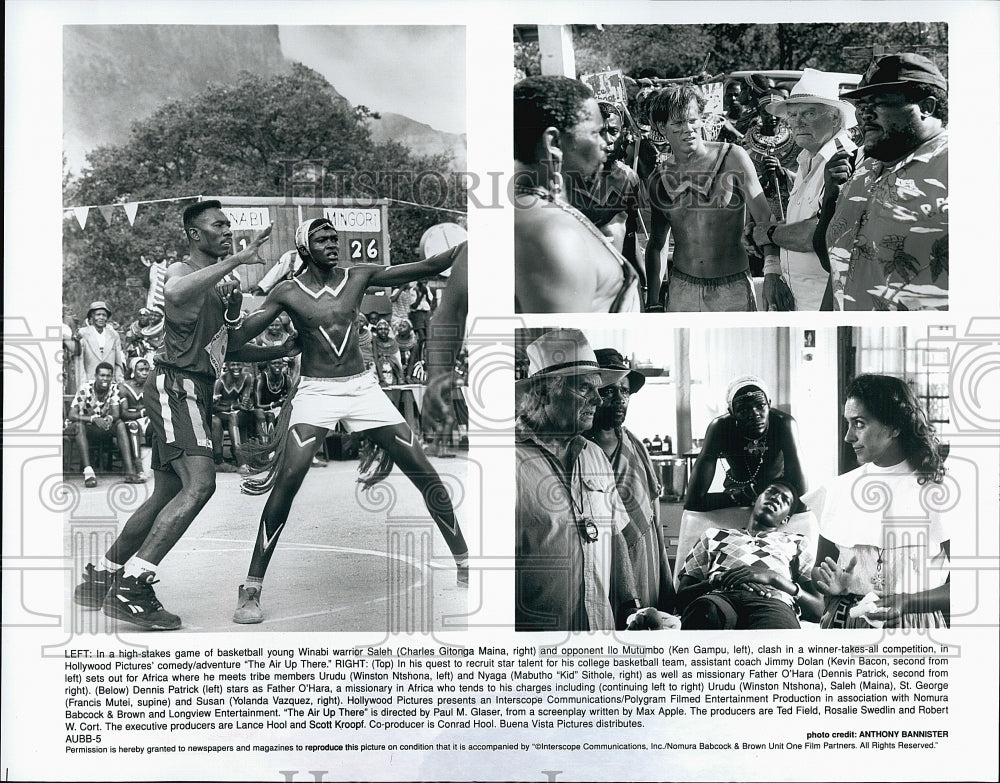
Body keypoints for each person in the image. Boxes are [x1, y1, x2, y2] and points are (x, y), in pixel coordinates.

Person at [227, 217, 470, 624]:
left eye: (334, 237)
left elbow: (427, 267)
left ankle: (464, 563)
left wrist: (465, 248)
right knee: (288, 482)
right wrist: (240, 315)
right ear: (304, 247)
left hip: (363, 389)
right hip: (316, 392)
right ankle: (251, 587)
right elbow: (236, 343)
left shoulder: (360, 276)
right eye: (322, 237)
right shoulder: (286, 292)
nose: (331, 242)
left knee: (426, 473)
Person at [71, 200, 288, 630]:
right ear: (194, 234)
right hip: (178, 386)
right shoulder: (179, 270)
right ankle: (135, 585)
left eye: (229, 224)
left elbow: (228, 344)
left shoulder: (224, 288)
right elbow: (172, 294)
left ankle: (103, 575)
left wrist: (281, 342)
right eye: (218, 225)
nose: (227, 229)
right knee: (202, 485)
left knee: (166, 493)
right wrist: (239, 259)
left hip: (193, 388)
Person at [515, 329, 675, 631]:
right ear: (546, 392)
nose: (598, 399)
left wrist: (631, 608)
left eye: (599, 389)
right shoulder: (507, 462)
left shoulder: (593, 456)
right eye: (585, 389)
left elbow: (614, 537)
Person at [808, 374, 950, 628]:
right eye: (848, 424)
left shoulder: (938, 490)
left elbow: (976, 587)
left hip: (913, 628)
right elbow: (818, 569)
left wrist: (907, 601)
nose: (848, 437)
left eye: (859, 424)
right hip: (844, 624)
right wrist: (830, 583)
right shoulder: (838, 489)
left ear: (895, 427)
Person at [644, 84, 787, 312]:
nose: (688, 129)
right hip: (682, 290)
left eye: (692, 120)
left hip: (733, 288)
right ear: (662, 127)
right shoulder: (659, 178)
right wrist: (653, 302)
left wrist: (772, 273)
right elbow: (657, 245)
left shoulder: (732, 157)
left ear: (701, 119)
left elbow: (764, 218)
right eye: (678, 123)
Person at [824, 54, 949, 311]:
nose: (864, 114)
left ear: (927, 106)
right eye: (862, 105)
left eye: (878, 103)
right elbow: (839, 265)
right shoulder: (866, 167)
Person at [513, 76, 640, 313]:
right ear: (554, 143)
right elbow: (564, 342)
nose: (605, 143)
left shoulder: (520, 212)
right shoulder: (552, 234)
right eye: (595, 133)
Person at [745, 70, 859, 311]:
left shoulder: (845, 160)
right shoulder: (807, 159)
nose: (797, 121)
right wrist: (773, 269)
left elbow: (817, 234)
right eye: (793, 114)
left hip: (826, 301)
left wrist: (767, 233)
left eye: (809, 113)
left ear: (836, 119)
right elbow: (799, 224)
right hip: (797, 297)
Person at [583, 349, 674, 612]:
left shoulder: (635, 445)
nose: (620, 399)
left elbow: (654, 520)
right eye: (609, 391)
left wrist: (666, 583)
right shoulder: (580, 449)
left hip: (643, 561)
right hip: (600, 560)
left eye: (624, 391)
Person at [675, 481, 822, 629]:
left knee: (776, 637)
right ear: (755, 500)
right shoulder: (713, 535)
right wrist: (716, 581)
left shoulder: (797, 542)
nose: (776, 498)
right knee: (702, 613)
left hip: (772, 602)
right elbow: (680, 600)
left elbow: (819, 608)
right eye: (771, 492)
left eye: (784, 499)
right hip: (718, 597)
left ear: (786, 519)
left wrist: (774, 578)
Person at [685, 375, 805, 512]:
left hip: (776, 494)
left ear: (769, 404)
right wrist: (744, 495)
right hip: (736, 492)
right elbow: (692, 502)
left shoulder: (783, 424)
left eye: (760, 406)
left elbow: (802, 501)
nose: (754, 414)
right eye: (743, 410)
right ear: (731, 412)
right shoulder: (720, 427)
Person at [569, 101, 643, 265]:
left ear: (622, 134)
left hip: (616, 274)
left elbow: (630, 234)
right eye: (600, 132)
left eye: (613, 131)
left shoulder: (629, 178)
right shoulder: (569, 177)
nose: (607, 140)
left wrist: (642, 281)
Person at [68, 361, 142, 486]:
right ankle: (89, 474)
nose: (105, 379)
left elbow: (115, 413)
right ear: (95, 376)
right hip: (84, 427)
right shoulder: (85, 388)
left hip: (102, 427)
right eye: (102, 375)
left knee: (119, 424)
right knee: (79, 426)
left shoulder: (113, 388)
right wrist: (93, 419)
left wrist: (109, 418)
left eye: (108, 376)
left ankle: (130, 472)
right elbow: (72, 415)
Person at [211, 361, 254, 472]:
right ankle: (240, 459)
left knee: (254, 415)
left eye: (239, 364)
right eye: (233, 365)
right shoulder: (220, 382)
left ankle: (262, 455)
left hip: (235, 411)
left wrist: (247, 404)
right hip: (220, 413)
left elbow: (245, 400)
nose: (236, 367)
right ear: (228, 366)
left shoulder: (247, 378)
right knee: (232, 417)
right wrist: (233, 407)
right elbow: (213, 408)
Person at [73, 301, 126, 383]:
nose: (101, 317)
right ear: (92, 316)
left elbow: (118, 362)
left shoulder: (113, 335)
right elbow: (79, 361)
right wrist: (83, 383)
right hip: (90, 381)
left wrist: (119, 381)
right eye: (98, 315)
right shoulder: (83, 333)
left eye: (104, 315)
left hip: (109, 382)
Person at [119, 357, 151, 475]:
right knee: (133, 425)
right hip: (130, 422)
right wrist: (142, 413)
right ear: (133, 371)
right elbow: (123, 413)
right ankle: (138, 466)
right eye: (141, 370)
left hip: (148, 421)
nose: (145, 373)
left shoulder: (152, 386)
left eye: (147, 370)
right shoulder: (124, 387)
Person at [254, 358, 291, 441]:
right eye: (274, 363)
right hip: (262, 411)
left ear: (283, 365)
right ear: (268, 365)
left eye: (279, 363)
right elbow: (257, 405)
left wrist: (282, 404)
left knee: (287, 414)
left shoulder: (287, 379)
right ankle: (266, 445)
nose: (277, 365)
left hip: (278, 411)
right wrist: (275, 404)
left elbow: (290, 401)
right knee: (264, 414)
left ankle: (280, 444)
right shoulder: (260, 379)